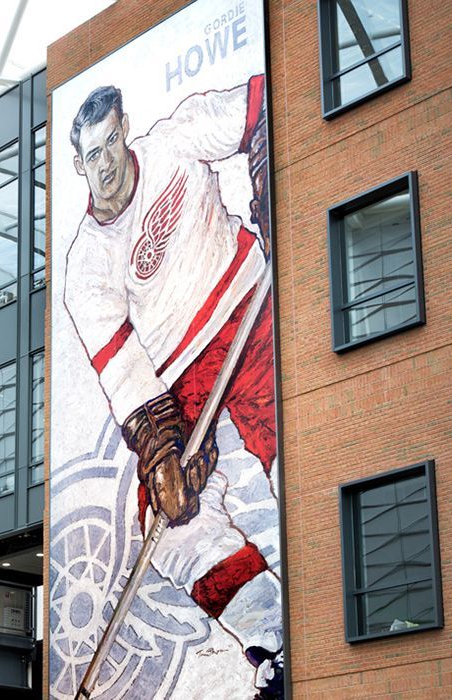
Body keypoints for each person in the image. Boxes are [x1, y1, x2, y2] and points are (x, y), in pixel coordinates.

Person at [63, 76, 283, 698]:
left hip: (253, 305)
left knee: (299, 441)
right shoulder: (84, 267)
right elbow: (124, 369)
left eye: (111, 143)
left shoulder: (177, 140)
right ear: (78, 165)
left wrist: (271, 174)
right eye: (92, 155)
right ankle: (274, 638)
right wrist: (162, 446)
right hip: (181, 381)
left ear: (125, 130)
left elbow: (260, 105)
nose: (106, 164)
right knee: (170, 521)